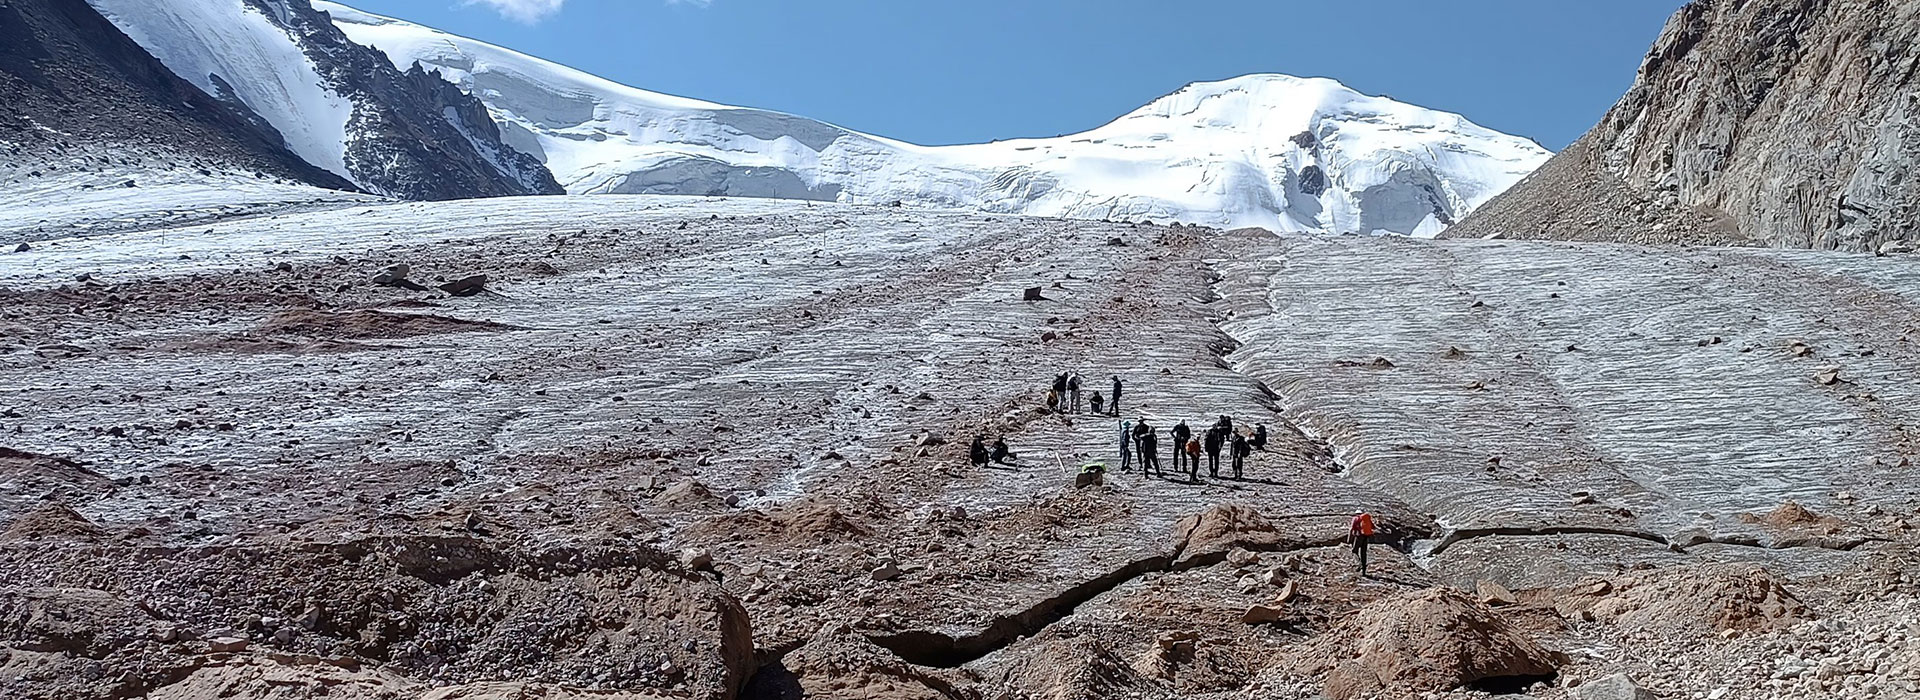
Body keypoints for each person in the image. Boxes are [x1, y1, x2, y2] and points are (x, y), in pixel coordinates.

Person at [1349, 511, 1376, 576]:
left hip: (1358, 536)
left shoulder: (1355, 518)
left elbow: (1351, 529)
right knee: (1363, 553)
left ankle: (1359, 563)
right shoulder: (1366, 519)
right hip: (1366, 537)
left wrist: (1349, 539)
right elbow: (1373, 527)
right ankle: (1363, 572)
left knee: (1354, 551)